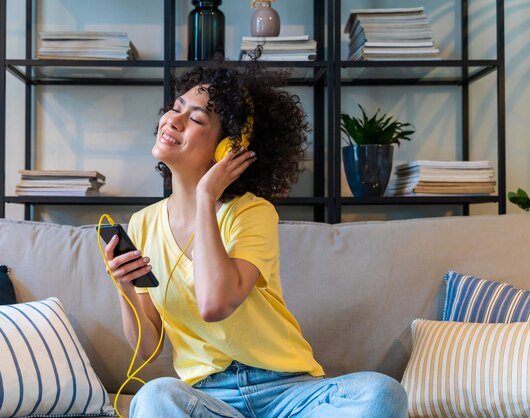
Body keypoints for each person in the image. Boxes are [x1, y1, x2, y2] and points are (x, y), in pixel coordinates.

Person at [104, 60, 408, 418]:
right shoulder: (142, 225)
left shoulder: (252, 213)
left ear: (227, 148)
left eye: (196, 118)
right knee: (154, 397)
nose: (173, 120)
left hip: (287, 392)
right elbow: (148, 347)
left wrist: (205, 197)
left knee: (383, 394)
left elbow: (214, 304)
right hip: (209, 399)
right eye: (175, 108)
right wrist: (124, 288)